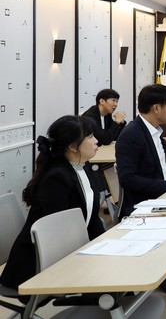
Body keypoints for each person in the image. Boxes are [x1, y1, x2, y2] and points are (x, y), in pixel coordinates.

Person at [0, 116, 104, 290]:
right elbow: (60, 233)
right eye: (90, 136)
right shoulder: (56, 178)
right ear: (73, 147)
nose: (96, 141)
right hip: (38, 265)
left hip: (68, 253)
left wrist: (105, 245)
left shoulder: (83, 167)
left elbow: (92, 218)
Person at [116, 84, 166, 218]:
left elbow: (151, 166)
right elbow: (128, 179)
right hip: (147, 205)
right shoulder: (131, 134)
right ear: (156, 108)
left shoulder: (155, 131)